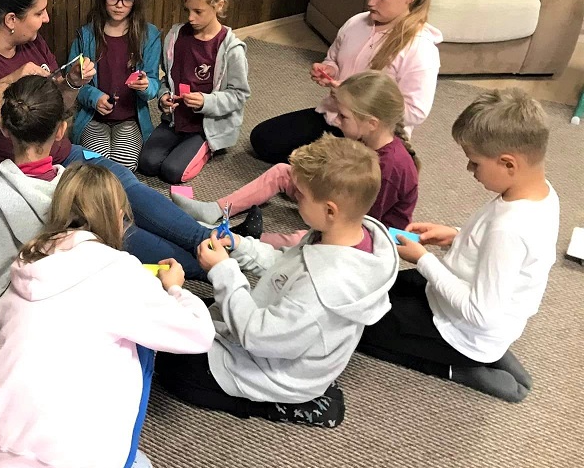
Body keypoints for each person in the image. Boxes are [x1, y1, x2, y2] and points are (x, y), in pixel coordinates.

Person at [0, 0, 262, 265]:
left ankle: (211, 240)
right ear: (11, 20)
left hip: (55, 155)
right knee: (105, 222)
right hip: (11, 177)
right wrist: (9, 82)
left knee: (122, 183)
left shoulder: (31, 42)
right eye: (39, 13)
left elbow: (62, 106)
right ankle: (213, 264)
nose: (46, 20)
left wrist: (72, 83)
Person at [0, 164, 215, 468]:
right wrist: (176, 289)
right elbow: (198, 334)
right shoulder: (121, 269)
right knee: (144, 347)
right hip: (64, 467)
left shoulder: (26, 261)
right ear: (119, 217)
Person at [0, 76, 261, 328]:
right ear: (61, 131)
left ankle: (213, 256)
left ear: (4, 127)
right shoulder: (73, 192)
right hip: (60, 306)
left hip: (7, 306)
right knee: (125, 226)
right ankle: (217, 260)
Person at [156, 135, 399, 427]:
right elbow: (284, 266)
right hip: (275, 329)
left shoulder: (325, 286)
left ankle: (282, 404)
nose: (294, 199)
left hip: (272, 364)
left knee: (171, 366)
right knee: (184, 316)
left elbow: (257, 337)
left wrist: (222, 271)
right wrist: (241, 246)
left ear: (330, 210)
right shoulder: (342, 235)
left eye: (301, 196)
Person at [358, 89, 559, 403]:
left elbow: (481, 313)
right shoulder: (541, 192)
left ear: (509, 164)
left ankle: (463, 368)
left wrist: (423, 259)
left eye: (474, 162)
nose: (469, 170)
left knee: (355, 326)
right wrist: (455, 235)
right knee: (369, 289)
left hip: (463, 330)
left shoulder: (509, 229)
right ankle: (492, 351)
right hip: (465, 303)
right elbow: (504, 252)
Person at [174, 71, 419, 248]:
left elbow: (356, 225)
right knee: (283, 171)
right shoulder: (368, 141)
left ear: (372, 123)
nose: (336, 121)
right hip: (341, 199)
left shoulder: (389, 168)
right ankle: (214, 210)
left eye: (343, 117)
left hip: (367, 233)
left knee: (304, 240)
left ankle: (240, 240)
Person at [249, 0, 442, 164]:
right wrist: (329, 69)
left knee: (329, 175)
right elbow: (333, 58)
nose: (371, 2)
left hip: (372, 137)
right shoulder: (356, 22)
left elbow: (415, 112)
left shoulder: (420, 49)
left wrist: (357, 100)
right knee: (263, 139)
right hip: (335, 117)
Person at [138, 0, 250, 183]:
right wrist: (163, 97)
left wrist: (206, 102)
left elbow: (239, 95)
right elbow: (166, 79)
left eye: (198, 11)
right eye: (187, 10)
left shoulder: (231, 49)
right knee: (147, 164)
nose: (190, 18)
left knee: (173, 172)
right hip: (174, 120)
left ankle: (210, 147)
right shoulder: (175, 36)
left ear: (219, 5)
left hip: (205, 126)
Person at [69, 0, 162, 171]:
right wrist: (94, 97)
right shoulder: (86, 35)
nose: (119, 6)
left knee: (125, 164)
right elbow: (72, 84)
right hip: (93, 118)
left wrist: (146, 86)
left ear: (136, 0)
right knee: (96, 164)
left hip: (130, 119)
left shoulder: (149, 36)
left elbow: (154, 86)